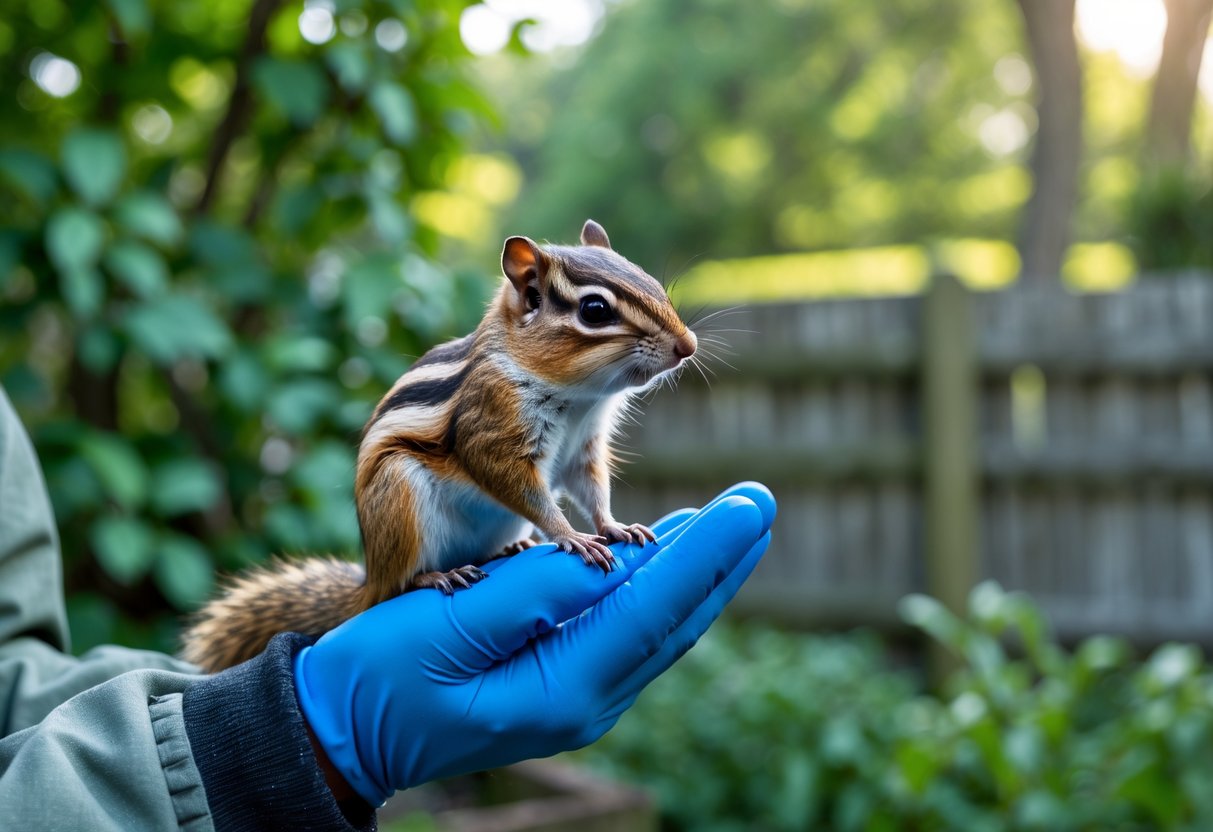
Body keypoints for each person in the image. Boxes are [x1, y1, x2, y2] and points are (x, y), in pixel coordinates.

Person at [0, 387, 775, 831]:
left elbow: (13, 672)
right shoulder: (502, 389)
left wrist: (219, 722)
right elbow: (504, 465)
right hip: (419, 512)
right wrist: (276, 743)